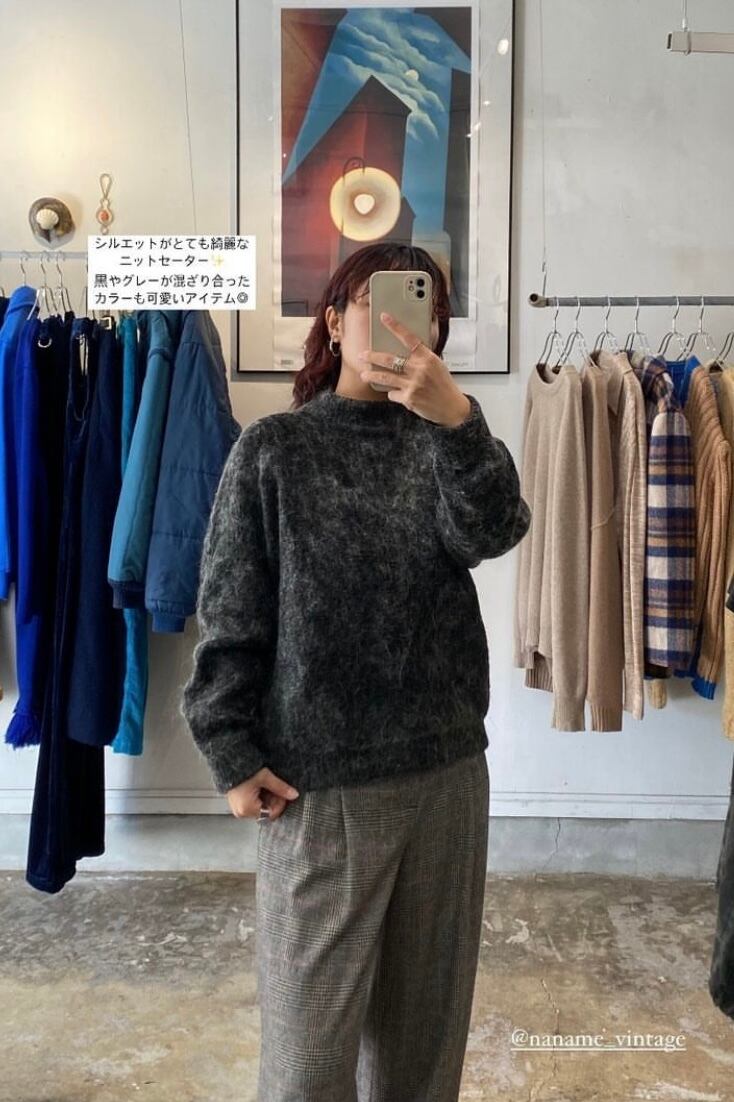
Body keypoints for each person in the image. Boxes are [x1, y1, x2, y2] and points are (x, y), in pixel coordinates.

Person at [181, 241, 531, 1101]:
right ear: (335, 322)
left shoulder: (446, 441)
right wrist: (228, 748)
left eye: (428, 313)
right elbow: (231, 609)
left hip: (447, 776)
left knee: (423, 1058)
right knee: (306, 1066)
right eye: (383, 305)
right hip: (320, 787)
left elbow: (495, 531)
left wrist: (458, 422)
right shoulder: (275, 449)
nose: (411, 328)